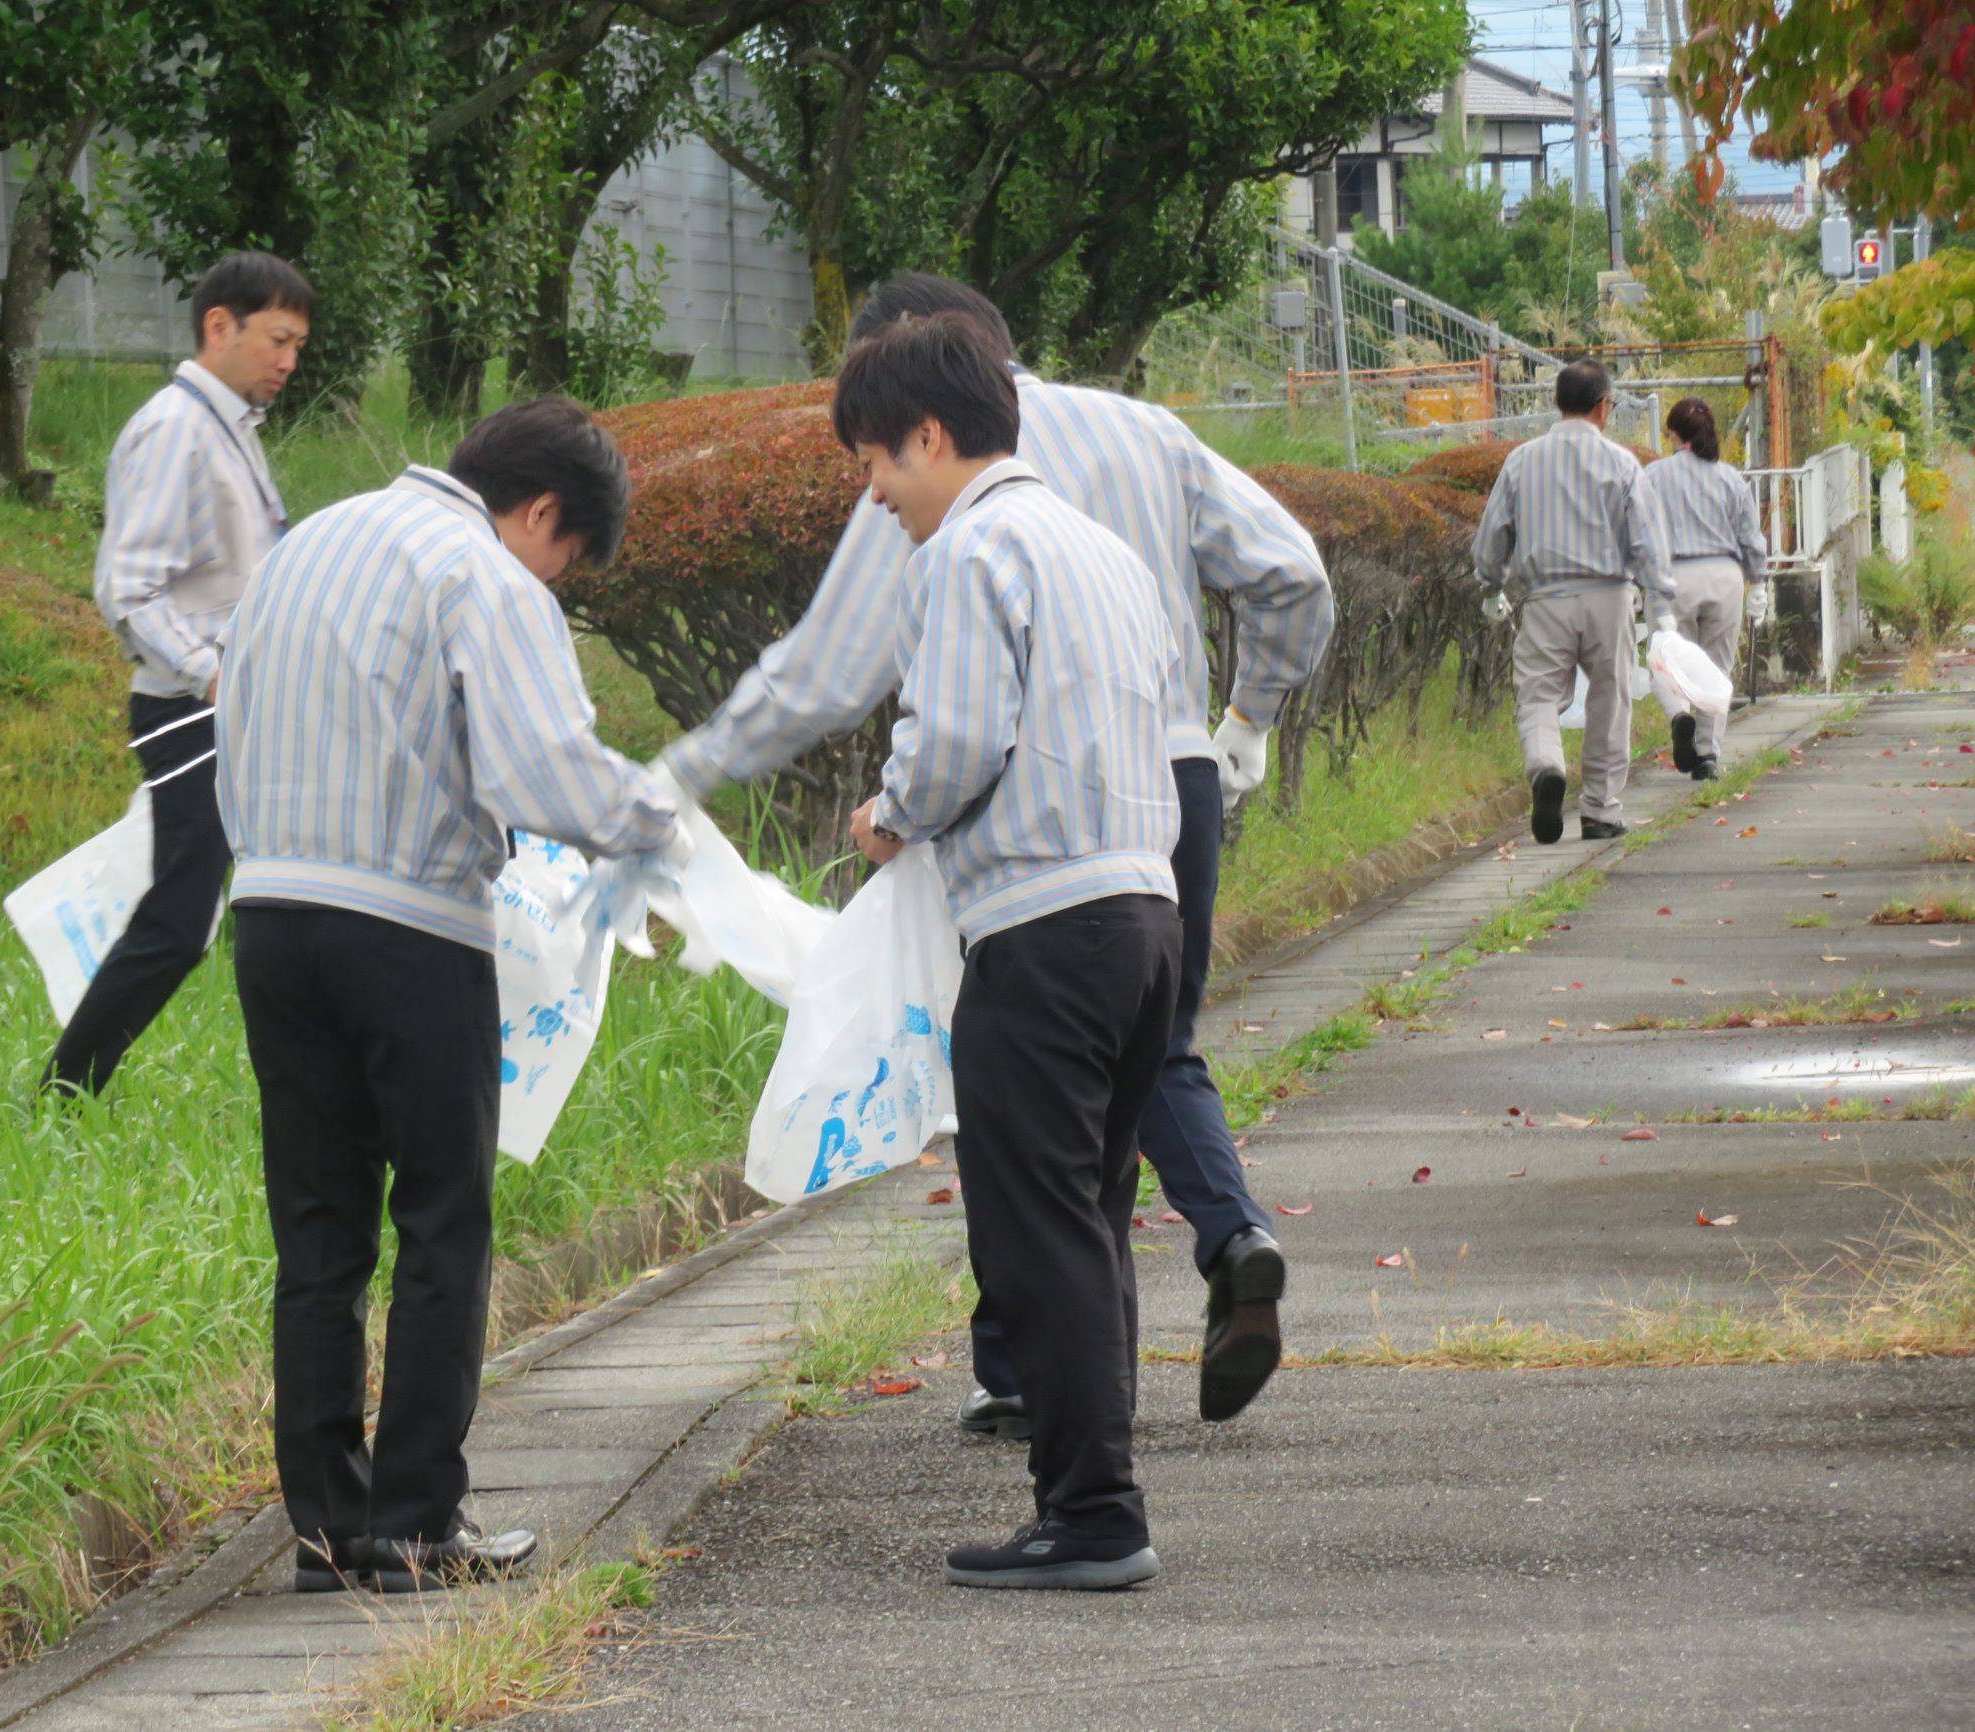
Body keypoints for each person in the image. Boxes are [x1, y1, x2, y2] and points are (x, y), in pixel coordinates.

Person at [659, 274, 1331, 1435]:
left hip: (1029, 809)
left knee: (1013, 1078)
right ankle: (1226, 1241)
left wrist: (683, 775)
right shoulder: (1142, 431)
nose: (870, 485)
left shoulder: (950, 505)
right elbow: (1293, 574)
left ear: (914, 384)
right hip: (1167, 771)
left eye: (871, 449)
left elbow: (830, 674)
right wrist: (1247, 720)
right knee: (1144, 1048)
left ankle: (1030, 1375)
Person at [214, 398, 686, 1594]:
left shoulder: (304, 545)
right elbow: (543, 771)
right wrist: (662, 824)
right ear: (542, 513)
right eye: (566, 560)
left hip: (269, 916)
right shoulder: (484, 572)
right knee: (440, 1217)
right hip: (409, 925)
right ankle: (418, 1521)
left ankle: (327, 1531)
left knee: (317, 1233)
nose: (554, 582)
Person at [838, 312, 1182, 1590]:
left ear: (928, 437)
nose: (874, 496)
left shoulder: (970, 550)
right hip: (1141, 913)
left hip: (1042, 927)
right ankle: (1094, 1495)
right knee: (1088, 1217)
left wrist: (887, 817)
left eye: (875, 463)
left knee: (1036, 1229)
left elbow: (952, 739)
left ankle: (1091, 1512)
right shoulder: (1103, 550)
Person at [44, 252, 310, 1097]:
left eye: (298, 346)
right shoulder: (175, 430)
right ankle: (66, 1087)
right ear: (218, 326)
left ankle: (318, 1077)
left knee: (271, 900)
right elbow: (128, 587)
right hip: (193, 712)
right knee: (181, 919)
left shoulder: (227, 427)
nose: (288, 361)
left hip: (235, 707)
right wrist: (209, 676)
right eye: (277, 339)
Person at [1474, 360, 1675, 844]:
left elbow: (1492, 536)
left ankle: (1547, 767)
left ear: (1556, 402)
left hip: (1545, 598)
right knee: (1610, 700)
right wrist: (1661, 604)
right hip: (1610, 597)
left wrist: (1491, 586)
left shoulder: (1521, 460)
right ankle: (1600, 811)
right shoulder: (1621, 463)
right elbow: (1648, 542)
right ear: (1604, 407)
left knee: (1538, 695)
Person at [1647, 397, 1767, 781]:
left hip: (1672, 577)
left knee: (1664, 659)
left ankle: (1678, 717)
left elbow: (1638, 533)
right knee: (1716, 668)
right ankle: (1707, 756)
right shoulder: (1730, 478)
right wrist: (1759, 583)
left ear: (1673, 434)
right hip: (1724, 576)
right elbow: (1751, 538)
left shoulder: (1654, 476)